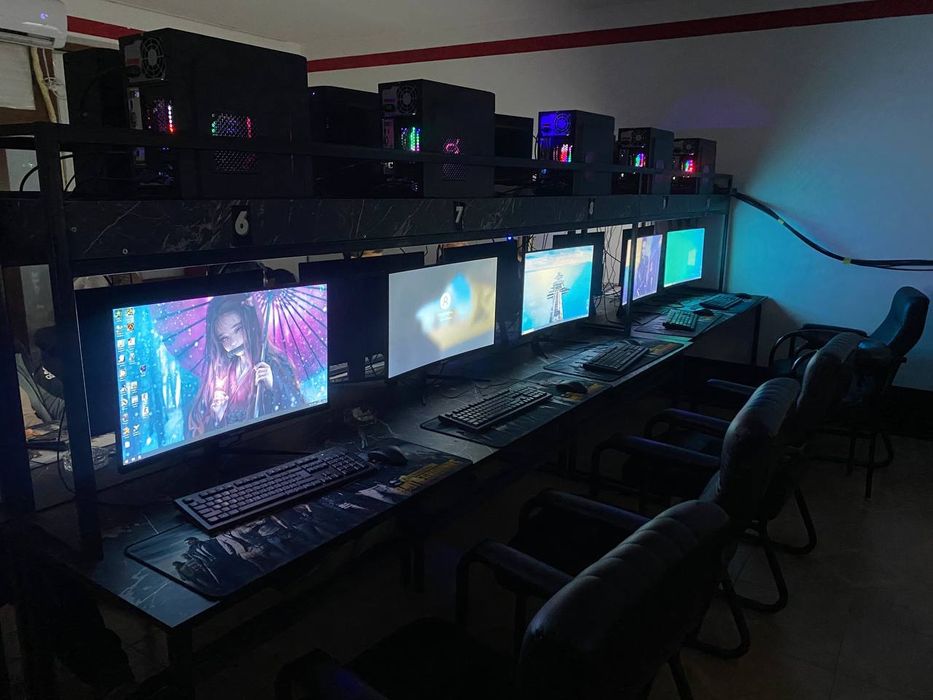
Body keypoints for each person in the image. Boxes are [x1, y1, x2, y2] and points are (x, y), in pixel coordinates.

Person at [187, 294, 302, 438]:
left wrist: (273, 385)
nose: (233, 342)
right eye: (224, 338)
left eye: (238, 329)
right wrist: (218, 417)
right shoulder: (225, 372)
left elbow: (296, 408)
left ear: (250, 324)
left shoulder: (275, 363)